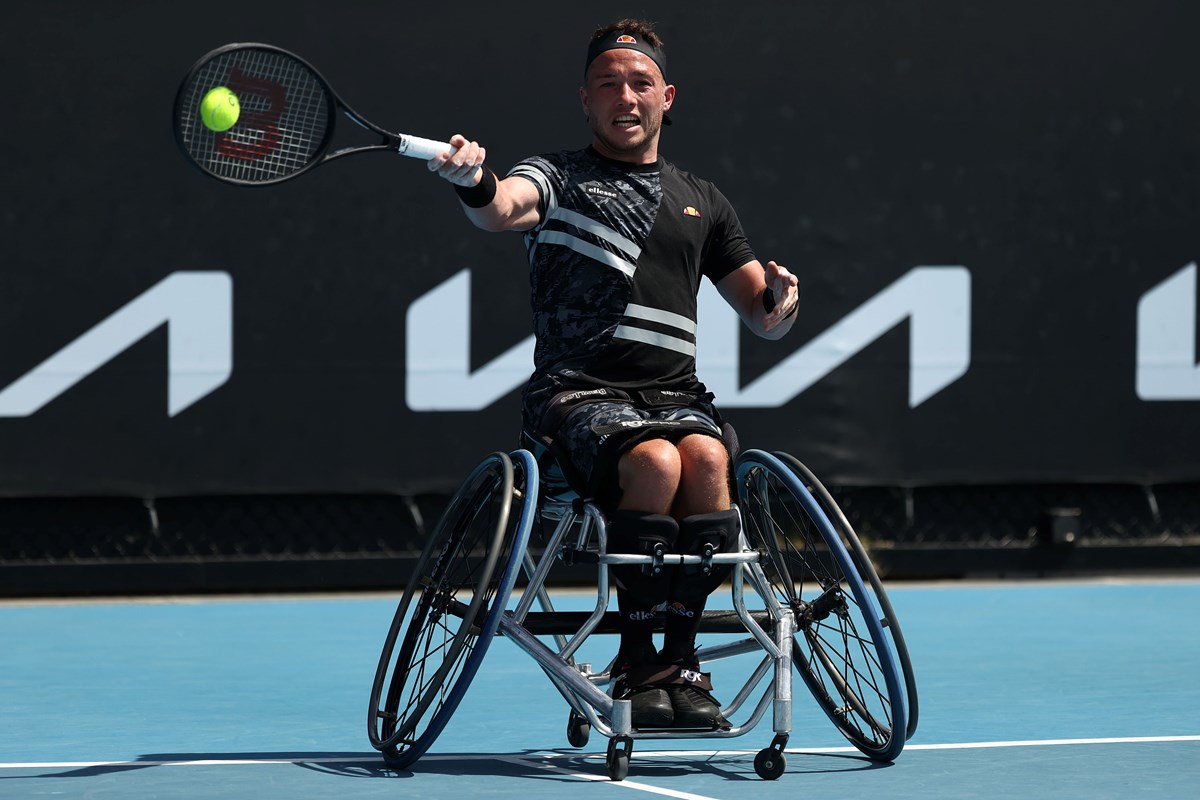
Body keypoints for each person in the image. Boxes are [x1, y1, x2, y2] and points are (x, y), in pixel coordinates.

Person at [427, 18, 799, 730]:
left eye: (639, 83)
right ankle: (637, 656)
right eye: (608, 84)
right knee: (657, 461)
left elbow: (763, 312)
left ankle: (680, 666)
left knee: (707, 458)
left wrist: (783, 297)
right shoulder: (558, 177)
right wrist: (474, 180)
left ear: (667, 97)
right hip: (576, 398)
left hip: (675, 395)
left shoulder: (704, 200)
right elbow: (503, 209)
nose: (624, 96)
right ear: (585, 99)